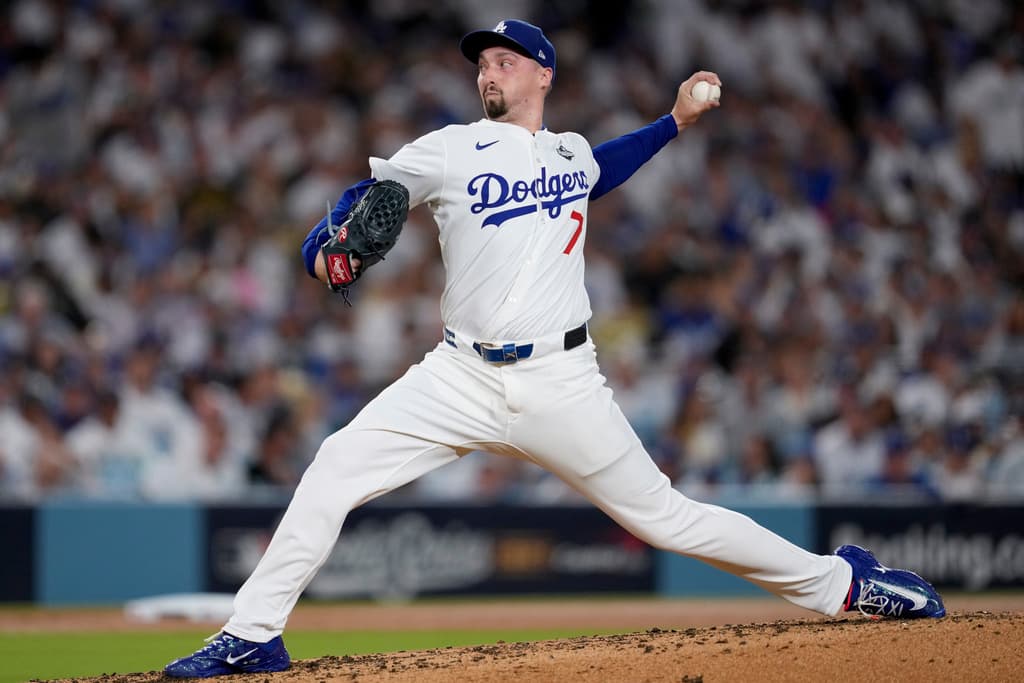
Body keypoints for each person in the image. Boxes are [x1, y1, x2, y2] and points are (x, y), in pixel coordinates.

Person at [164, 19, 945, 677]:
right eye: (481, 64)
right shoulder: (449, 148)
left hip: (561, 379)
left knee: (668, 518)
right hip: (459, 374)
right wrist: (324, 252)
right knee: (335, 463)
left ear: (542, 73)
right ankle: (254, 634)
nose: (487, 73)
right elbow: (360, 206)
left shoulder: (570, 153)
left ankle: (845, 584)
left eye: (503, 61)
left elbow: (606, 167)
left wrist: (673, 124)